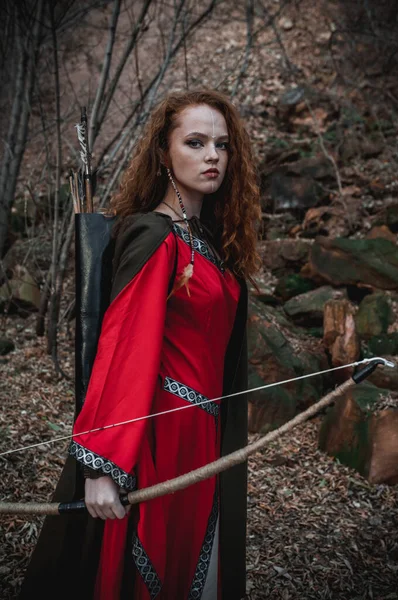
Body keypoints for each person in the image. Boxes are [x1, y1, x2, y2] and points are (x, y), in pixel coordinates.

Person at [20, 89, 261, 600]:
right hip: (157, 437)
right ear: (164, 153)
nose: (213, 155)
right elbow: (123, 353)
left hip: (202, 439)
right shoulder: (158, 238)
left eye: (221, 144)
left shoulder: (209, 243)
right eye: (195, 142)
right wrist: (101, 468)